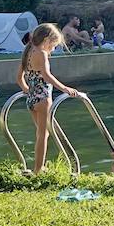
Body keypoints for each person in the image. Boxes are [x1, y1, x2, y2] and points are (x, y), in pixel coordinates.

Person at [19, 23, 86, 174]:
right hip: (43, 99)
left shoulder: (28, 51)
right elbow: (47, 76)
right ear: (47, 40)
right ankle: (38, 169)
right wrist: (65, 89)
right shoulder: (41, 53)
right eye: (54, 45)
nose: (53, 49)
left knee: (41, 134)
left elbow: (19, 78)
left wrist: (27, 90)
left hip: (31, 100)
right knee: (43, 135)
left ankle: (38, 167)